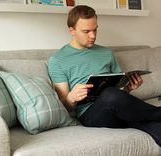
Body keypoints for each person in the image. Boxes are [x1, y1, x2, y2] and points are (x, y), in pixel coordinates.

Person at [48, 5, 161, 147]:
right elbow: (64, 105)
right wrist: (71, 98)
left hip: (116, 108)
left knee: (135, 117)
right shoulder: (57, 60)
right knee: (110, 94)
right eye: (86, 31)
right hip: (90, 114)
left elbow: (119, 92)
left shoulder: (106, 53)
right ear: (72, 30)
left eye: (95, 29)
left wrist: (128, 88)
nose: (93, 35)